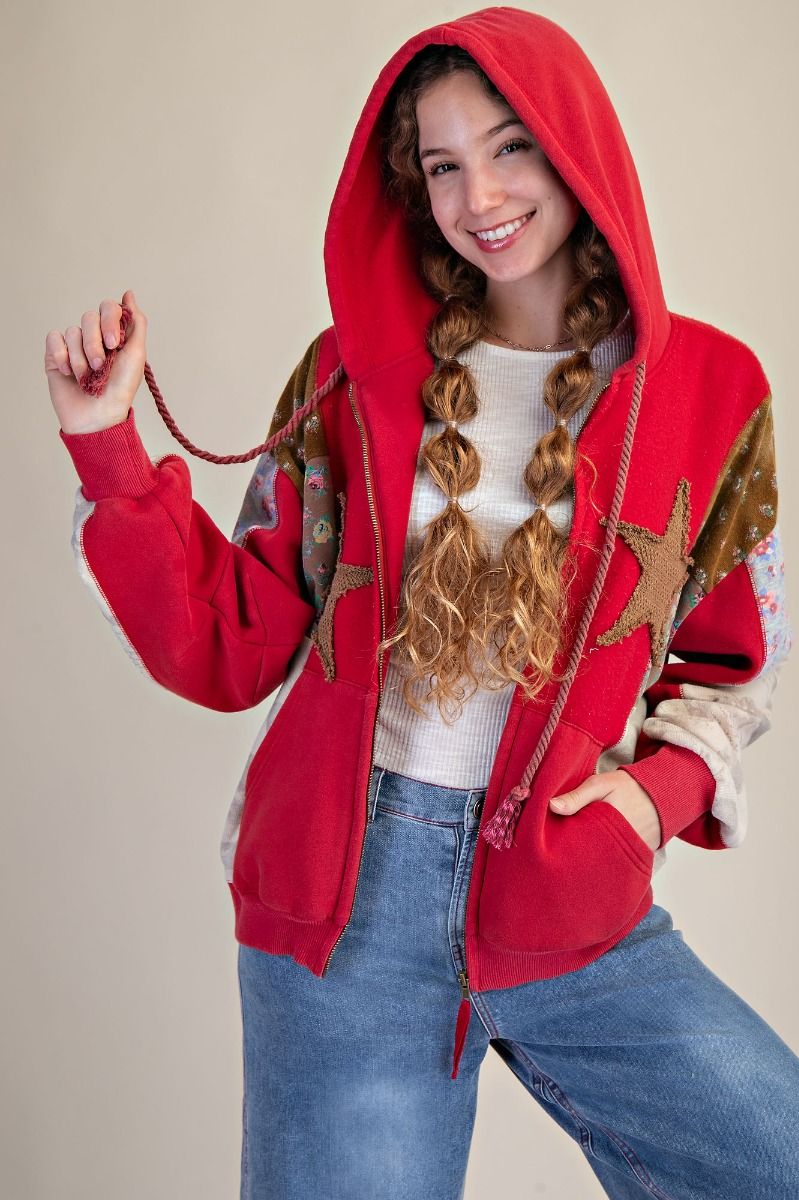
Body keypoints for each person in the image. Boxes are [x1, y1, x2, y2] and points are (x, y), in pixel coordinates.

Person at [46, 7, 799, 1198]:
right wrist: (106, 446)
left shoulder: (710, 390)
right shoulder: (349, 373)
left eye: (509, 147)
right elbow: (230, 641)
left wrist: (647, 803)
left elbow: (732, 662)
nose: (477, 197)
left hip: (568, 888)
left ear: (576, 148)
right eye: (442, 165)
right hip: (343, 910)